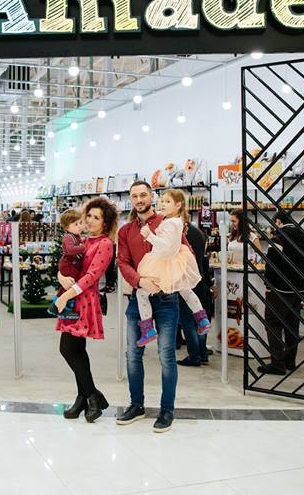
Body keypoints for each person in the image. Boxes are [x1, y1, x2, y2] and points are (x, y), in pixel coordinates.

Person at [116, 180, 186, 433]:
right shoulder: (125, 231)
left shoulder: (168, 223)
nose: (139, 200)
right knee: (133, 354)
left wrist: (171, 278)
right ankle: (137, 405)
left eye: (143, 195)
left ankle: (167, 409)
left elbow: (185, 251)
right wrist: (140, 280)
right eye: (134, 196)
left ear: (152, 196)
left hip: (166, 297)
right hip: (139, 297)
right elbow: (122, 262)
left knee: (166, 355)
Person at [54, 197, 115, 423]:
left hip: (83, 299)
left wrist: (66, 295)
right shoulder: (83, 240)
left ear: (105, 223)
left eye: (96, 217)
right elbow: (66, 262)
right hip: (72, 297)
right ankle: (86, 397)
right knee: (74, 349)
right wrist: (60, 276)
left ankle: (91, 396)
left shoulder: (105, 244)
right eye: (88, 215)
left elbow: (92, 275)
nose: (89, 220)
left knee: (69, 348)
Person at [131, 189, 208, 348]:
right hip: (174, 261)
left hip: (163, 262)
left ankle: (147, 329)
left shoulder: (171, 223)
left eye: (167, 202)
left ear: (178, 205)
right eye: (162, 201)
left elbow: (166, 247)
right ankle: (202, 318)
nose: (162, 204)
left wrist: (149, 236)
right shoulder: (175, 221)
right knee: (186, 291)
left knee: (142, 293)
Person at [258, 211, 304, 375]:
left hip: (281, 287)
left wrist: (268, 283)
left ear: (278, 221)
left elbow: (272, 262)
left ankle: (277, 363)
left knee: (273, 322)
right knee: (292, 324)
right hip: (299, 287)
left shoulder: (279, 238)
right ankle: (290, 361)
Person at [178, 221, 213, 367]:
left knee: (188, 322)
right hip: (199, 280)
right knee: (200, 318)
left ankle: (194, 355)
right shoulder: (198, 233)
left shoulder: (180, 234)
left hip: (185, 282)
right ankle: (203, 352)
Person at [48, 208, 84, 320]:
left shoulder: (76, 236)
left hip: (72, 264)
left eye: (80, 223)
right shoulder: (68, 237)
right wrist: (83, 247)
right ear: (67, 227)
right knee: (69, 285)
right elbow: (70, 250)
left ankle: (56, 305)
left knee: (67, 285)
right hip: (68, 264)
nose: (80, 226)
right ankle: (62, 307)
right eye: (76, 224)